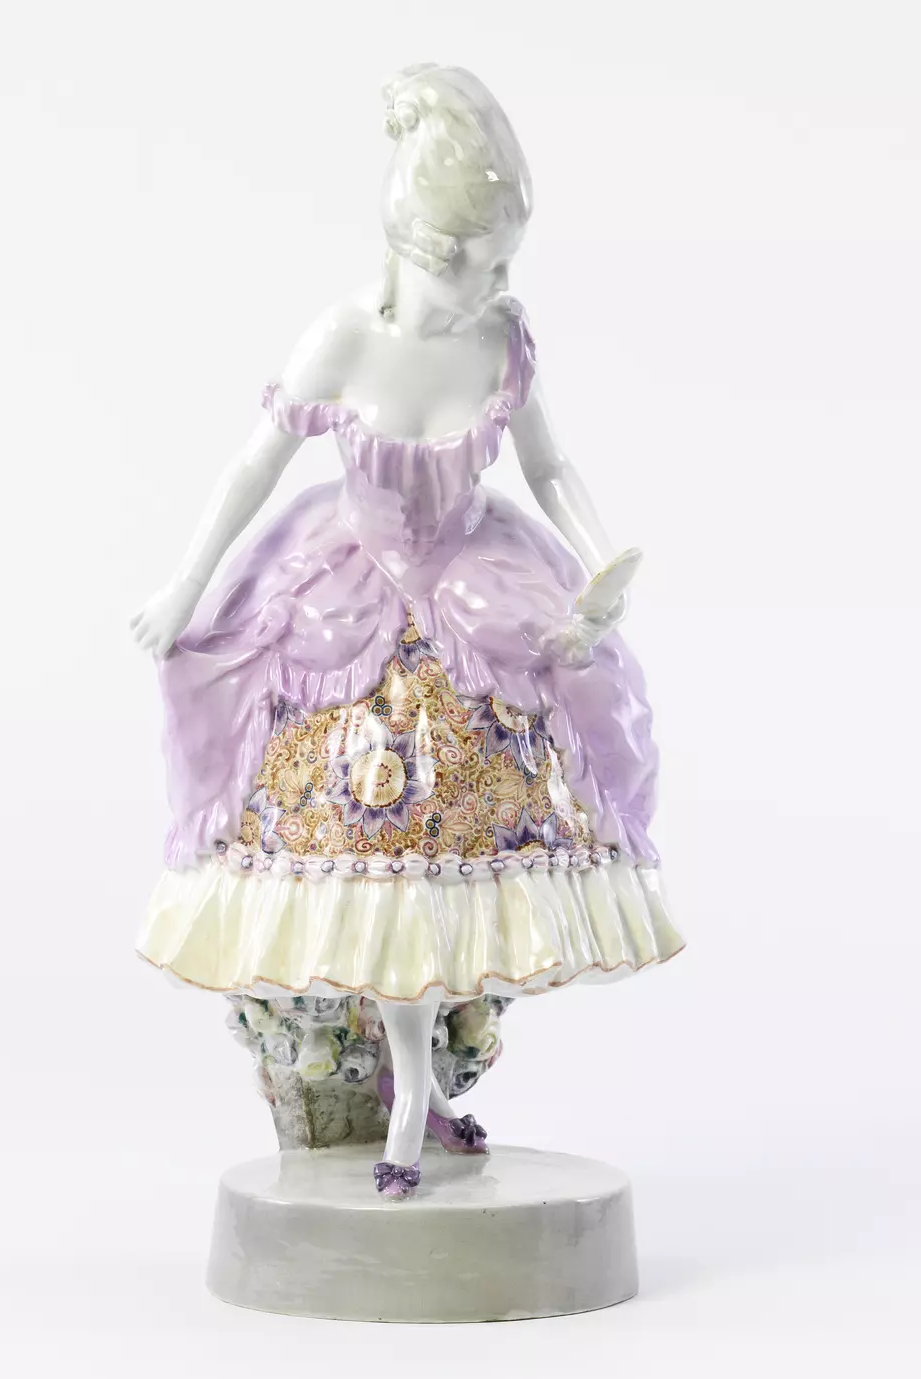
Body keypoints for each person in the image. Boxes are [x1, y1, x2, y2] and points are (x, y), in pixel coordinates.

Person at [131, 63, 684, 1197]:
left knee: (460, 864)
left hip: (480, 589)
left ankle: (419, 1085)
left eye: (505, 262)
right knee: (369, 856)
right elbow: (252, 466)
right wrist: (187, 585)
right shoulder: (342, 338)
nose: (494, 285)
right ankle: (398, 1094)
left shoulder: (501, 337)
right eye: (472, 261)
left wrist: (597, 560)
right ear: (415, 241)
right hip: (344, 603)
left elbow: (549, 465)